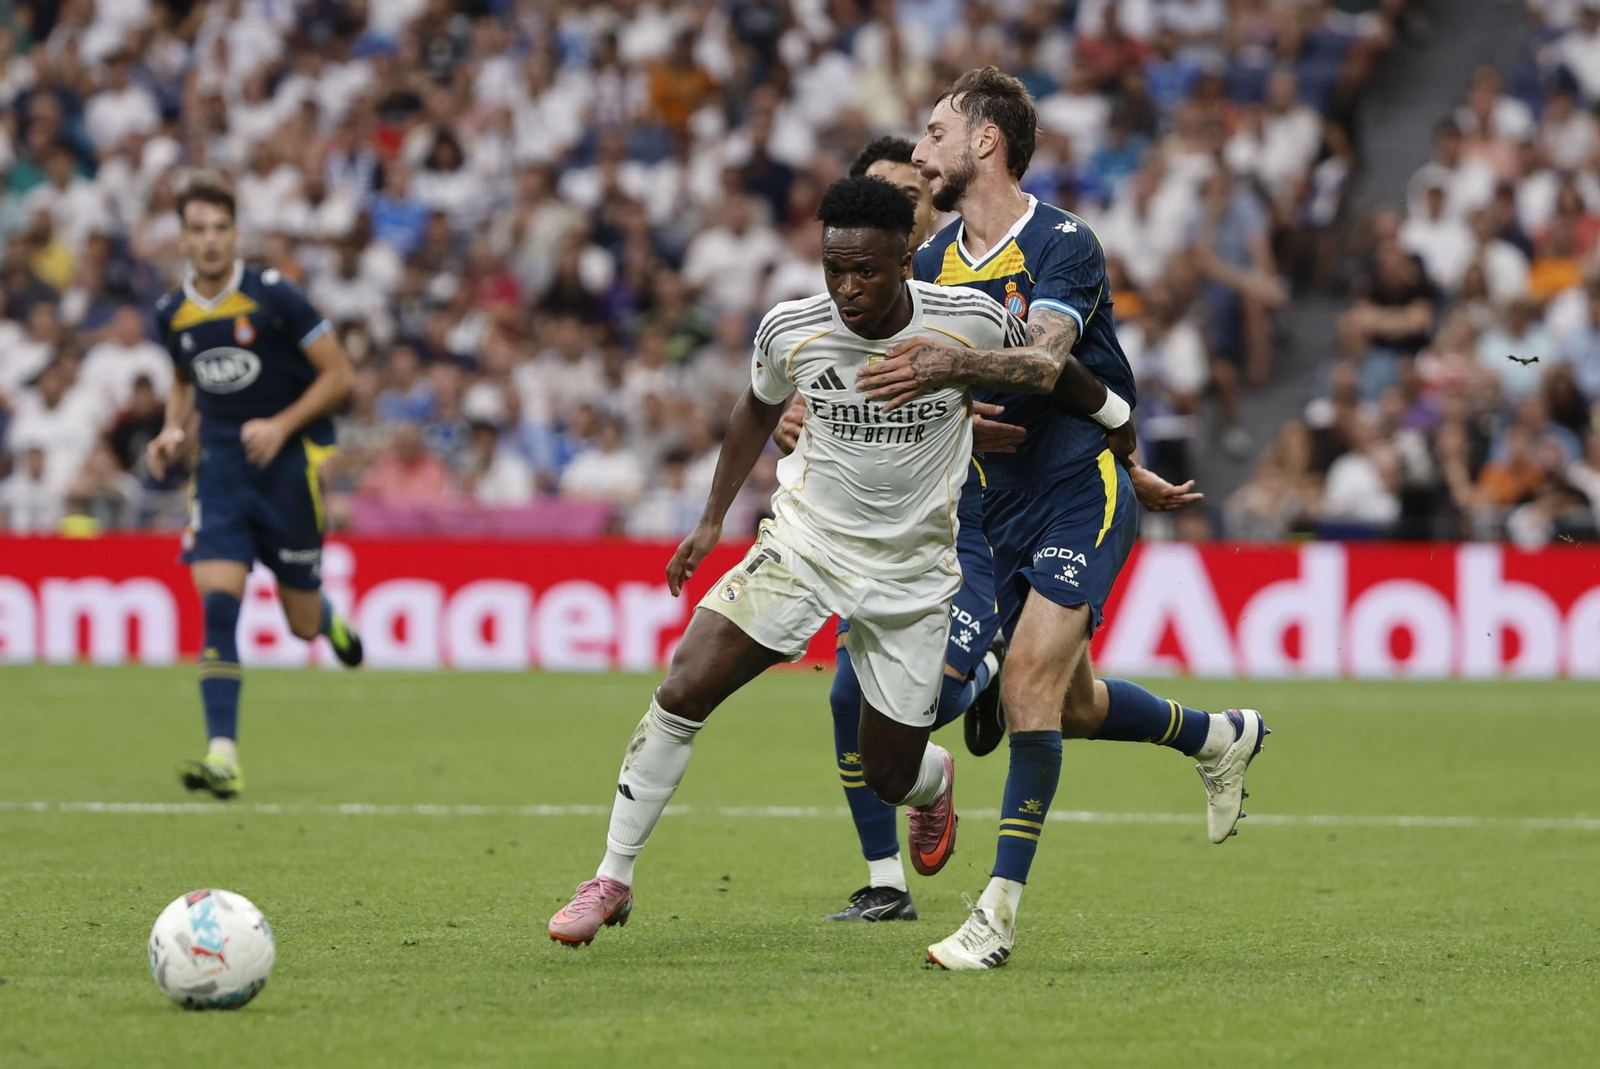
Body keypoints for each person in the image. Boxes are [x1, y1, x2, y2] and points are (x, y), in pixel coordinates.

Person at [547, 175, 1125, 948]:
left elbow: (1055, 373)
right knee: (685, 685)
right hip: (804, 546)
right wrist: (712, 517)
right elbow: (756, 402)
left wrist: (1121, 428)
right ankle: (611, 877)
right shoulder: (792, 328)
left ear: (905, 261)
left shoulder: (970, 320)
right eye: (834, 269)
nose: (848, 288)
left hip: (913, 576)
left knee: (888, 772)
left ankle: (933, 779)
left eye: (867, 272)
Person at [858, 67, 1268, 970]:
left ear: (986, 142)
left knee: (1029, 691)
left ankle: (994, 917)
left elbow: (1046, 367)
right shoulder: (929, 267)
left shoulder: (1064, 243)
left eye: (933, 133)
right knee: (1071, 703)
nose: (918, 150)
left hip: (1083, 485)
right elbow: (900, 383)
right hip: (990, 506)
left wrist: (945, 372)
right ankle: (1217, 735)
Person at [774, 136, 1019, 922]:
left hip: (968, 524)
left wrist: (965, 410)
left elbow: (1033, 389)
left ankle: (994, 676)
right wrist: (801, 421)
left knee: (922, 704)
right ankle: (886, 880)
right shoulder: (851, 295)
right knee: (849, 696)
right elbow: (811, 393)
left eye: (910, 196)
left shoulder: (964, 283)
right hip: (874, 538)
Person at [147, 172, 364, 801]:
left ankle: (327, 620)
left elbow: (339, 375)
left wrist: (280, 424)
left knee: (298, 623)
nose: (210, 240)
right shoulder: (172, 313)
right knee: (218, 604)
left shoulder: (275, 296)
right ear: (182, 239)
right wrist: (170, 428)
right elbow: (186, 376)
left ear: (236, 234)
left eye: (220, 228)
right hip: (219, 472)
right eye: (198, 229)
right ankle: (223, 754)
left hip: (288, 469)